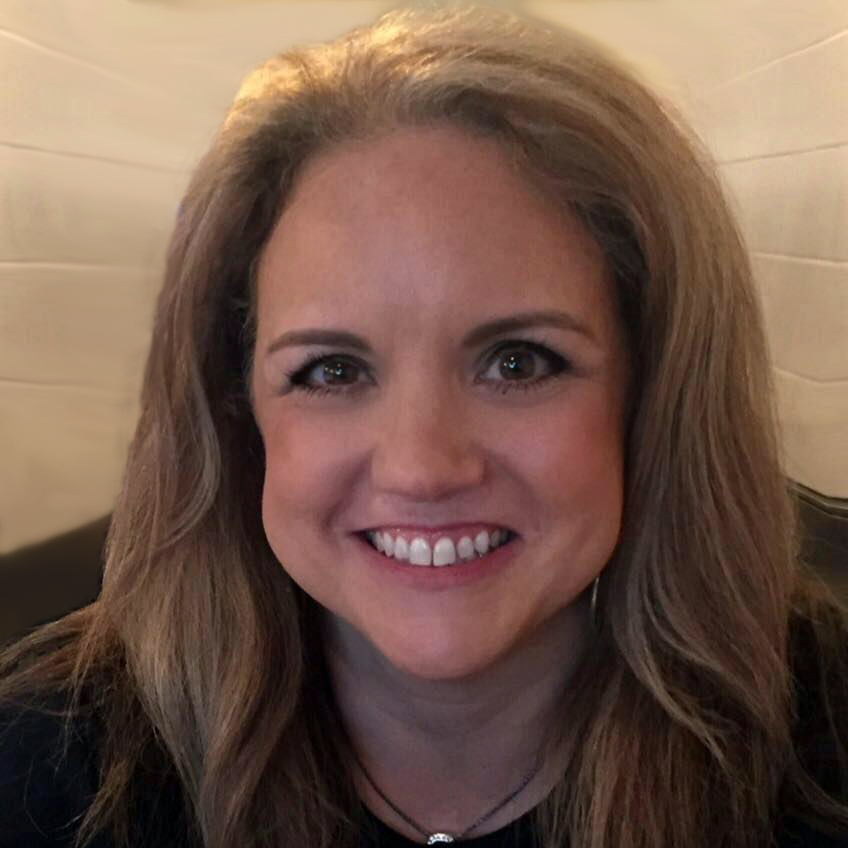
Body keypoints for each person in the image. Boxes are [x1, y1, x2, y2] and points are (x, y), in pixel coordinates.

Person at [1, 4, 846, 847]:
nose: (421, 467)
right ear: (237, 412)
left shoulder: (823, 743)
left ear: (654, 393)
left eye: (518, 362)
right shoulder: (45, 768)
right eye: (332, 371)